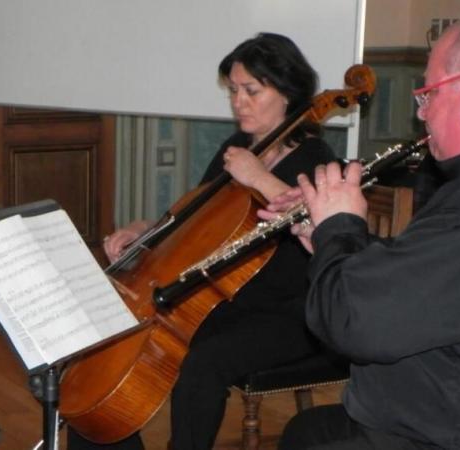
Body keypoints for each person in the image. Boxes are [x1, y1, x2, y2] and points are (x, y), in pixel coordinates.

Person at [68, 33, 337, 450]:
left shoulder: (317, 160)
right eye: (232, 90)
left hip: (289, 311)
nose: (237, 101)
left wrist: (259, 178)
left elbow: (323, 227)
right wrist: (145, 230)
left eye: (251, 90)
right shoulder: (235, 149)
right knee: (111, 332)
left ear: (288, 93)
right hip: (223, 296)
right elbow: (196, 220)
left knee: (204, 361)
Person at [264, 10, 460, 450]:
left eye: (429, 95)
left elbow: (355, 325)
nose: (423, 115)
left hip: (449, 431)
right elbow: (446, 278)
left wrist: (340, 228)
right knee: (306, 431)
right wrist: (330, 237)